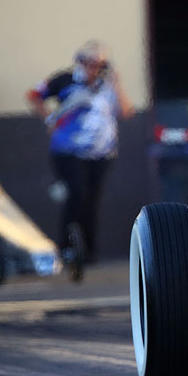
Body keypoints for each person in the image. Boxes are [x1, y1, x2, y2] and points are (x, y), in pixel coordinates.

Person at [26, 40, 134, 265]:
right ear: (81, 62)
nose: (94, 69)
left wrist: (117, 84)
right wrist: (49, 118)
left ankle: (88, 251)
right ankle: (66, 247)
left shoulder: (107, 85)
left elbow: (126, 111)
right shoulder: (64, 80)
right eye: (91, 63)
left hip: (101, 153)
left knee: (92, 200)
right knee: (77, 193)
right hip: (68, 151)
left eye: (100, 65)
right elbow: (34, 94)